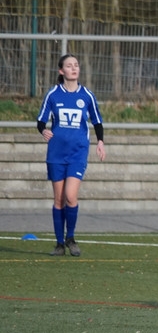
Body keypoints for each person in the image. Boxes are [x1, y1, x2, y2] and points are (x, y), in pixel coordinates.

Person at [36, 54, 106, 257]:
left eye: (76, 65)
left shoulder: (87, 95)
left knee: (70, 196)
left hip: (78, 153)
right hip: (56, 154)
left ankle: (71, 238)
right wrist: (43, 130)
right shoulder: (53, 94)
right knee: (59, 199)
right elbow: (40, 121)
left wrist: (100, 142)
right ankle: (59, 244)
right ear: (61, 71)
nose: (74, 68)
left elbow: (97, 121)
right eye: (69, 66)